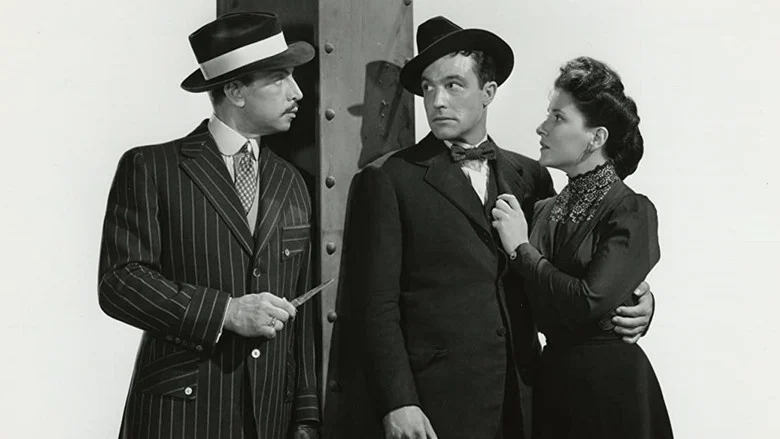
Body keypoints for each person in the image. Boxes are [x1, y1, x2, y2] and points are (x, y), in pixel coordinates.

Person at [349, 17, 656, 439]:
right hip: (439, 404)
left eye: (453, 85)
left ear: (488, 92)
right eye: (428, 88)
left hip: (529, 398)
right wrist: (398, 401)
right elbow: (376, 305)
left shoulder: (533, 178)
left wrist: (638, 300)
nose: (437, 100)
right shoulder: (389, 179)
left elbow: (570, 273)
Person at [98, 12, 320, 439]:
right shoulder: (152, 167)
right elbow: (120, 283)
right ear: (235, 90)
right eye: (279, 78)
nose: (297, 92)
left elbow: (302, 317)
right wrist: (227, 312)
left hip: (269, 420)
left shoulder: (292, 182)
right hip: (178, 419)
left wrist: (306, 418)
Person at [491, 56, 673, 438]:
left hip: (612, 390)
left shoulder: (631, 209)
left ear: (596, 137)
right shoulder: (541, 209)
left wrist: (521, 249)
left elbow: (588, 300)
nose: (542, 127)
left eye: (558, 117)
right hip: (551, 383)